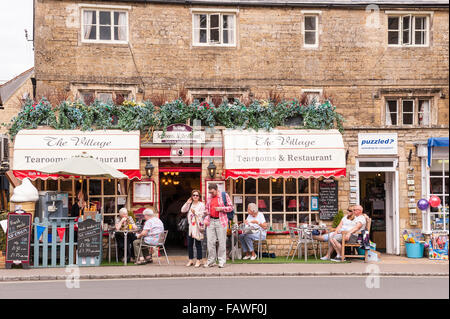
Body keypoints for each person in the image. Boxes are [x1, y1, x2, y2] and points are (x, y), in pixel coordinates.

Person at [203, 183, 233, 268]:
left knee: (222, 241)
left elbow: (231, 207)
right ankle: (211, 261)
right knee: (210, 242)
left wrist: (221, 209)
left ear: (216, 190)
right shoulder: (209, 197)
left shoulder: (224, 195)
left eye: (212, 192)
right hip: (211, 221)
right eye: (210, 192)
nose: (211, 194)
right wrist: (206, 212)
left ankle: (221, 261)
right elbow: (206, 208)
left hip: (221, 221)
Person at [181, 189, 206, 267]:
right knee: (190, 244)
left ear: (199, 197)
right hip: (191, 227)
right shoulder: (190, 204)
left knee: (198, 244)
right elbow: (182, 210)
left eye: (197, 195)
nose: (195, 196)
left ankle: (198, 260)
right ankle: (191, 260)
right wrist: (187, 203)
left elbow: (203, 214)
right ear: (191, 196)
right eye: (194, 195)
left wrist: (195, 212)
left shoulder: (201, 204)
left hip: (197, 227)